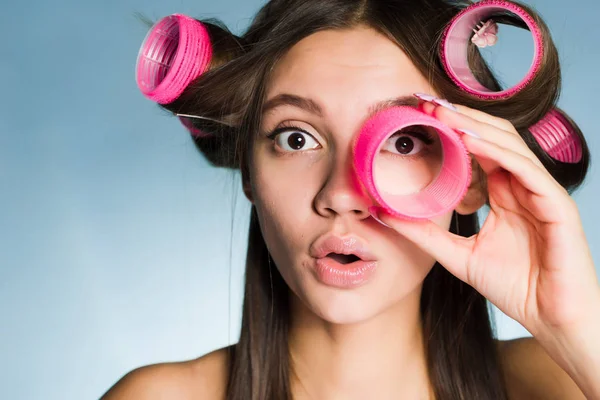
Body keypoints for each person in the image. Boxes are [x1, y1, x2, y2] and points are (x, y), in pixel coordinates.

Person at [102, 0, 600, 398]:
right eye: (296, 138)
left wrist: (578, 330)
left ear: (470, 178)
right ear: (250, 170)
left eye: (402, 141)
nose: (341, 196)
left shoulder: (563, 382)